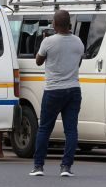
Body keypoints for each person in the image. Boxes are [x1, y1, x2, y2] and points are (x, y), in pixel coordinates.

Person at [29, 10, 84, 177]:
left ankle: (38, 167)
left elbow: (38, 62)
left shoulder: (48, 41)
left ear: (54, 24)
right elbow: (78, 62)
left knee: (44, 129)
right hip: (73, 90)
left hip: (53, 90)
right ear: (69, 24)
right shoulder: (78, 42)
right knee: (71, 130)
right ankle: (66, 167)